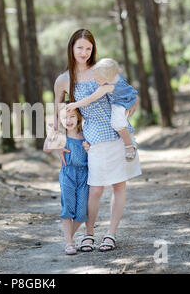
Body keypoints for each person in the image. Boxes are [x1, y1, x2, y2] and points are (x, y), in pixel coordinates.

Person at [53, 28, 141, 252]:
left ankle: (111, 234)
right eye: (80, 47)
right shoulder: (64, 80)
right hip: (92, 139)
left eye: (89, 48)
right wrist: (58, 143)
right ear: (71, 48)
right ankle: (88, 234)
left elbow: (130, 94)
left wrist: (130, 109)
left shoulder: (102, 70)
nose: (84, 52)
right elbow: (57, 114)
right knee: (95, 189)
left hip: (117, 136)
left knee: (119, 186)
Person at [66, 58, 139, 161]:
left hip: (122, 103)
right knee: (120, 121)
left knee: (117, 123)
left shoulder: (107, 87)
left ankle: (130, 145)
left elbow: (90, 99)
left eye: (98, 79)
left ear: (108, 78)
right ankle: (130, 141)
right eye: (94, 77)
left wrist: (75, 105)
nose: (95, 80)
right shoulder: (116, 75)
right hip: (129, 97)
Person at [44, 103, 90, 255]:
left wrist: (89, 149)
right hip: (68, 174)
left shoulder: (86, 134)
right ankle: (69, 242)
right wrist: (51, 134)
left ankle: (67, 238)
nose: (68, 120)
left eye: (72, 116)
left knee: (82, 212)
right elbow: (46, 148)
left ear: (79, 117)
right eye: (65, 117)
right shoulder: (61, 136)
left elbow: (95, 152)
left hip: (84, 175)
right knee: (68, 208)